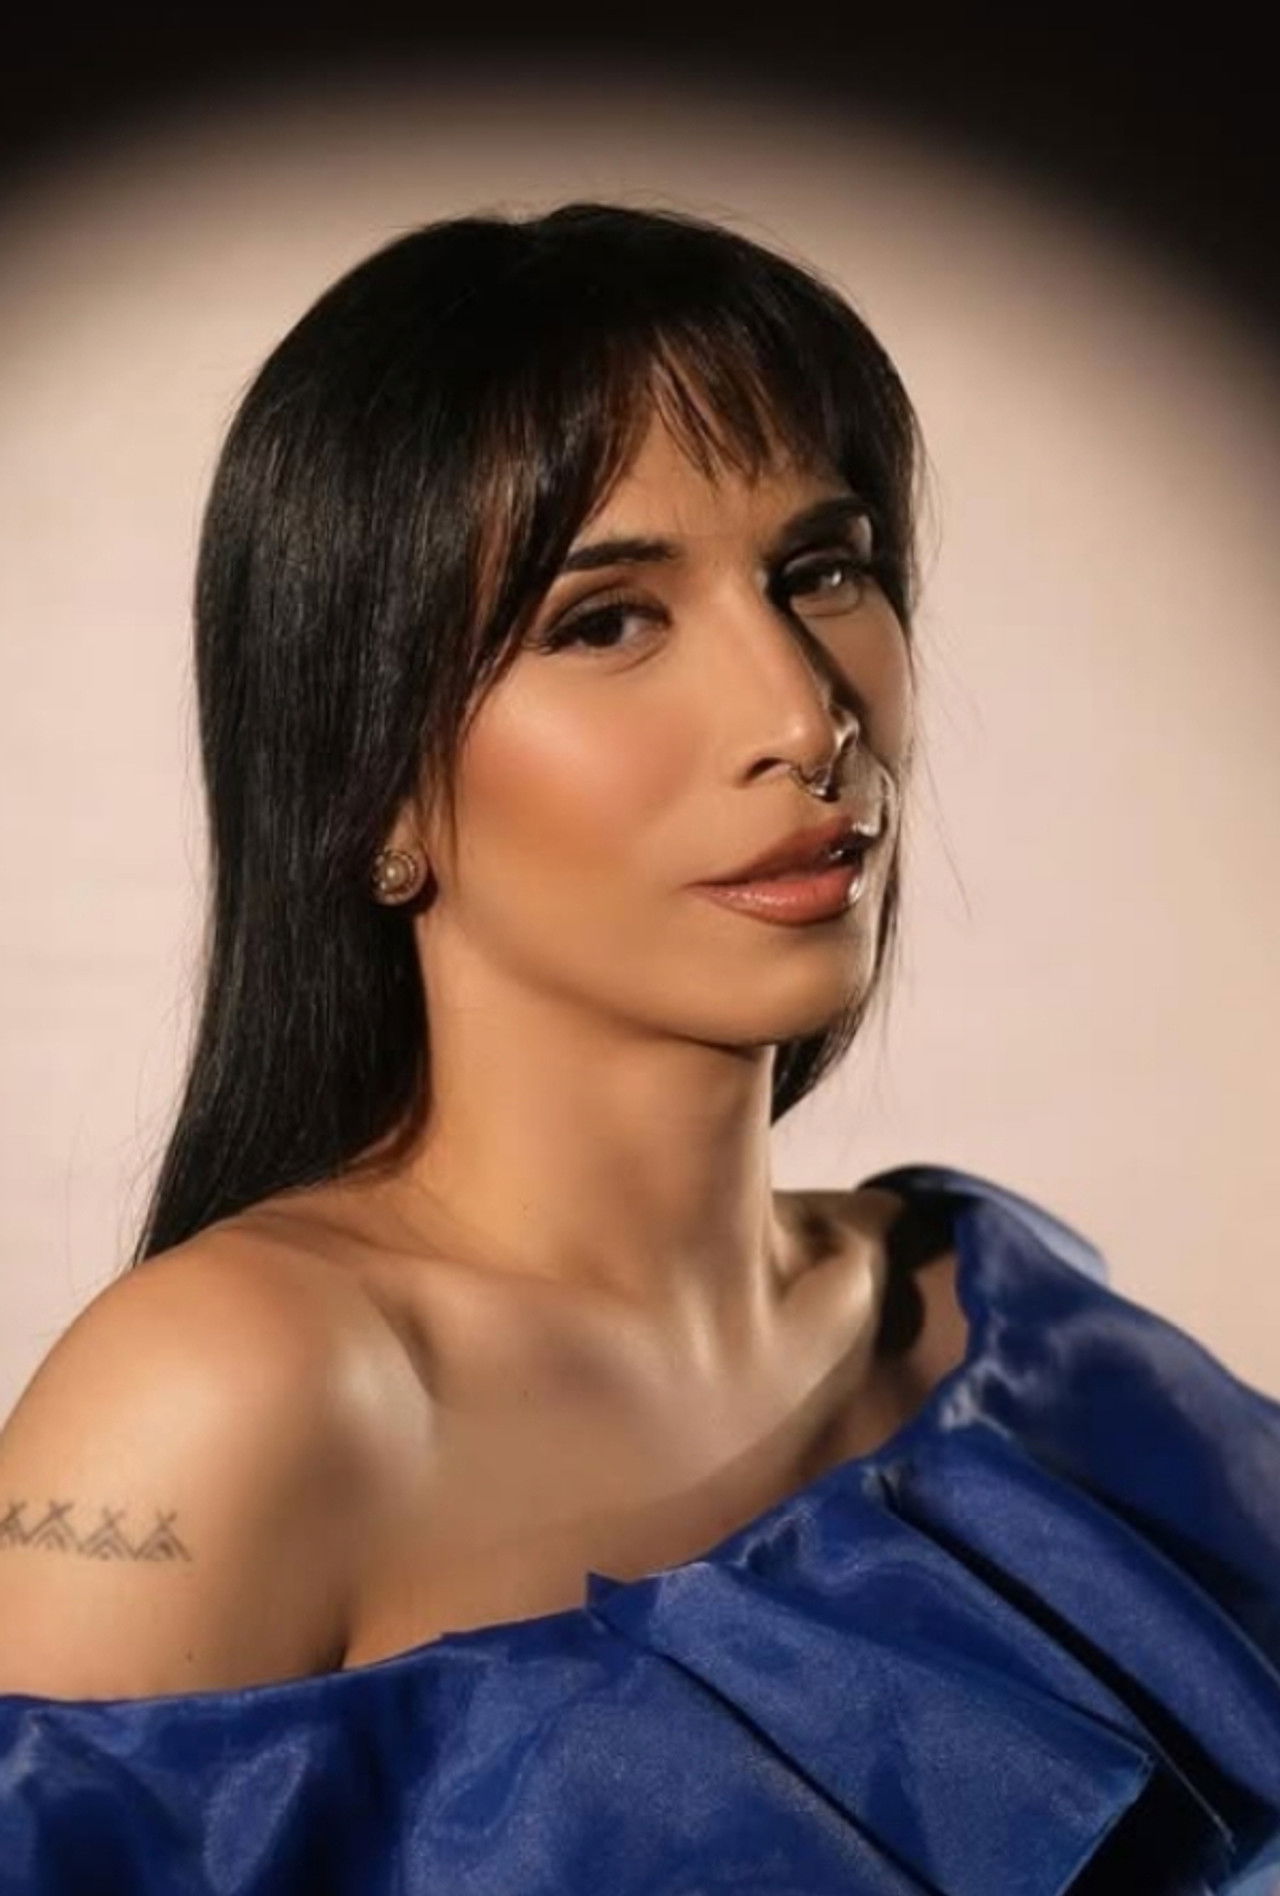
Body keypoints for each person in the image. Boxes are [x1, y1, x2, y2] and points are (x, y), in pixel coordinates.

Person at [0, 203, 1276, 1895]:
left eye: (823, 571)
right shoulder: (224, 1408)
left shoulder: (1012, 1320)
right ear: (372, 790)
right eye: (604, 622)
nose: (803, 716)